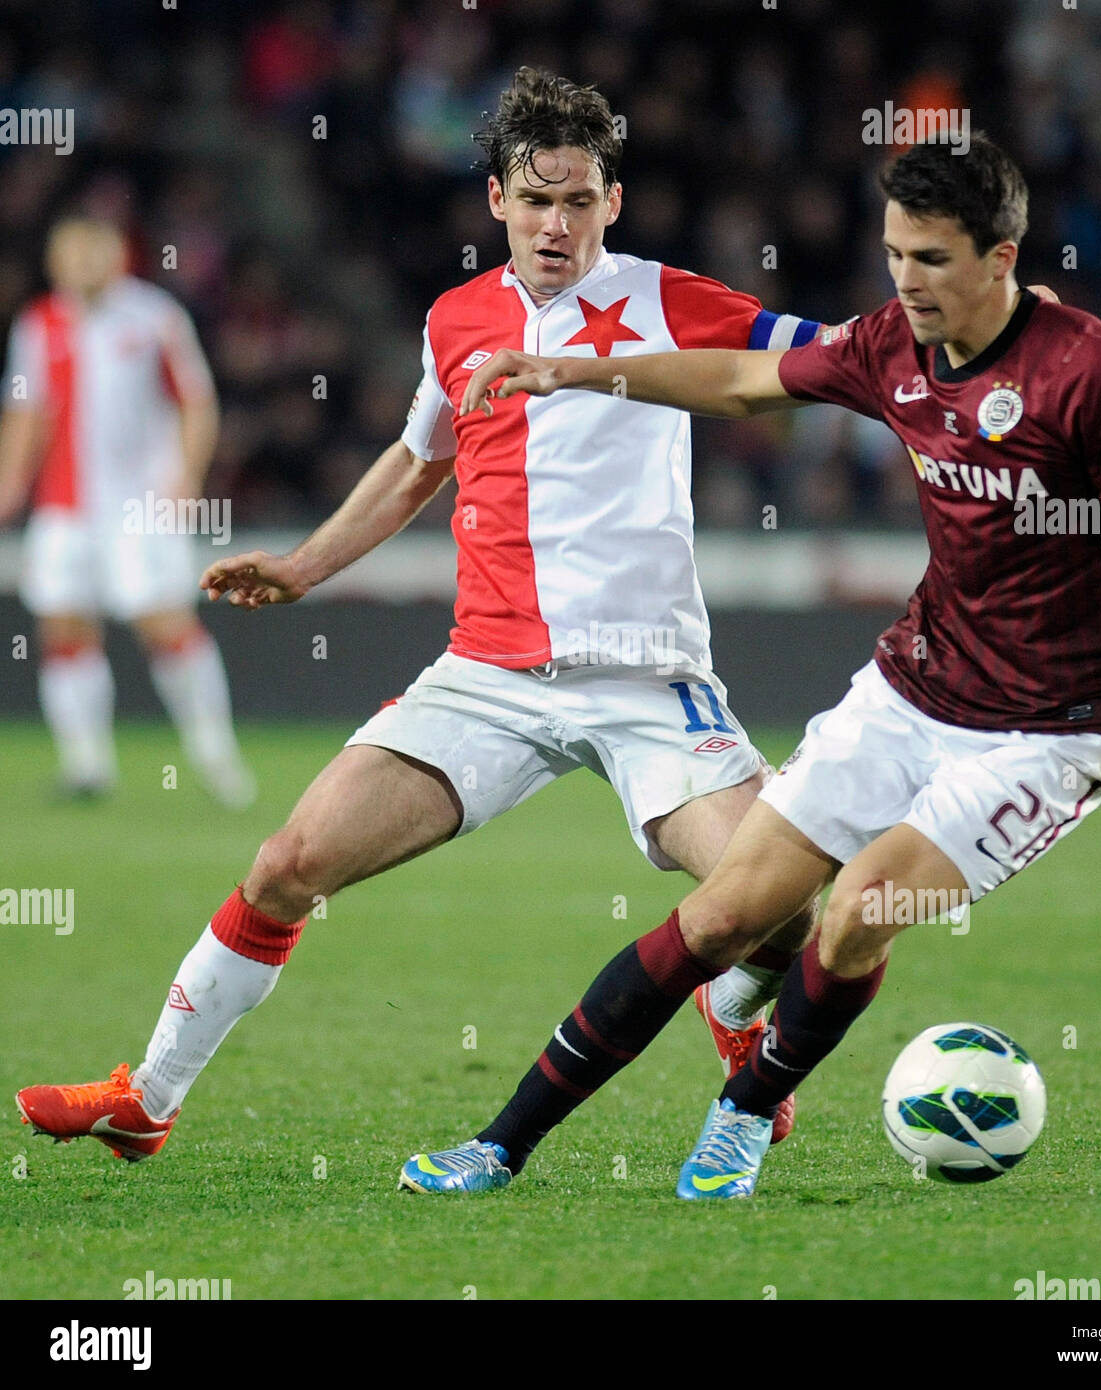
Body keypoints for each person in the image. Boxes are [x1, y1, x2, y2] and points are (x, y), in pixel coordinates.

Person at [15, 68, 825, 1164]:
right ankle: (147, 1094)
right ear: (496, 201)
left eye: (579, 200)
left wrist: (984, 337)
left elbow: (828, 351)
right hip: (485, 675)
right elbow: (417, 460)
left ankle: (732, 1017)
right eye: (535, 200)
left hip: (646, 676)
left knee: (787, 895)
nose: (556, 223)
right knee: (286, 861)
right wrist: (306, 566)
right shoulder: (457, 317)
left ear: (613, 202)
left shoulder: (667, 296)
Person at [397, 132, 1101, 1199]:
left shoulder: (1089, 375)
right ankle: (500, 1143)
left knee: (863, 906)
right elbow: (742, 382)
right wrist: (569, 369)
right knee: (724, 918)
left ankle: (741, 1114)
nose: (906, 282)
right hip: (917, 683)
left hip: (1055, 730)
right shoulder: (891, 347)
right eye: (895, 254)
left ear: (1002, 259)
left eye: (932, 259)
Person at [0, 215, 255, 808]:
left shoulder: (153, 317)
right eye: (71, 254)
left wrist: (188, 475)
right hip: (64, 506)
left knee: (163, 623)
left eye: (95, 253)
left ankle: (216, 756)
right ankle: (87, 764)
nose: (83, 265)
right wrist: (11, 483)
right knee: (63, 626)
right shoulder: (39, 324)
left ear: (118, 257)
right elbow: (27, 411)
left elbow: (196, 401)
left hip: (142, 506)